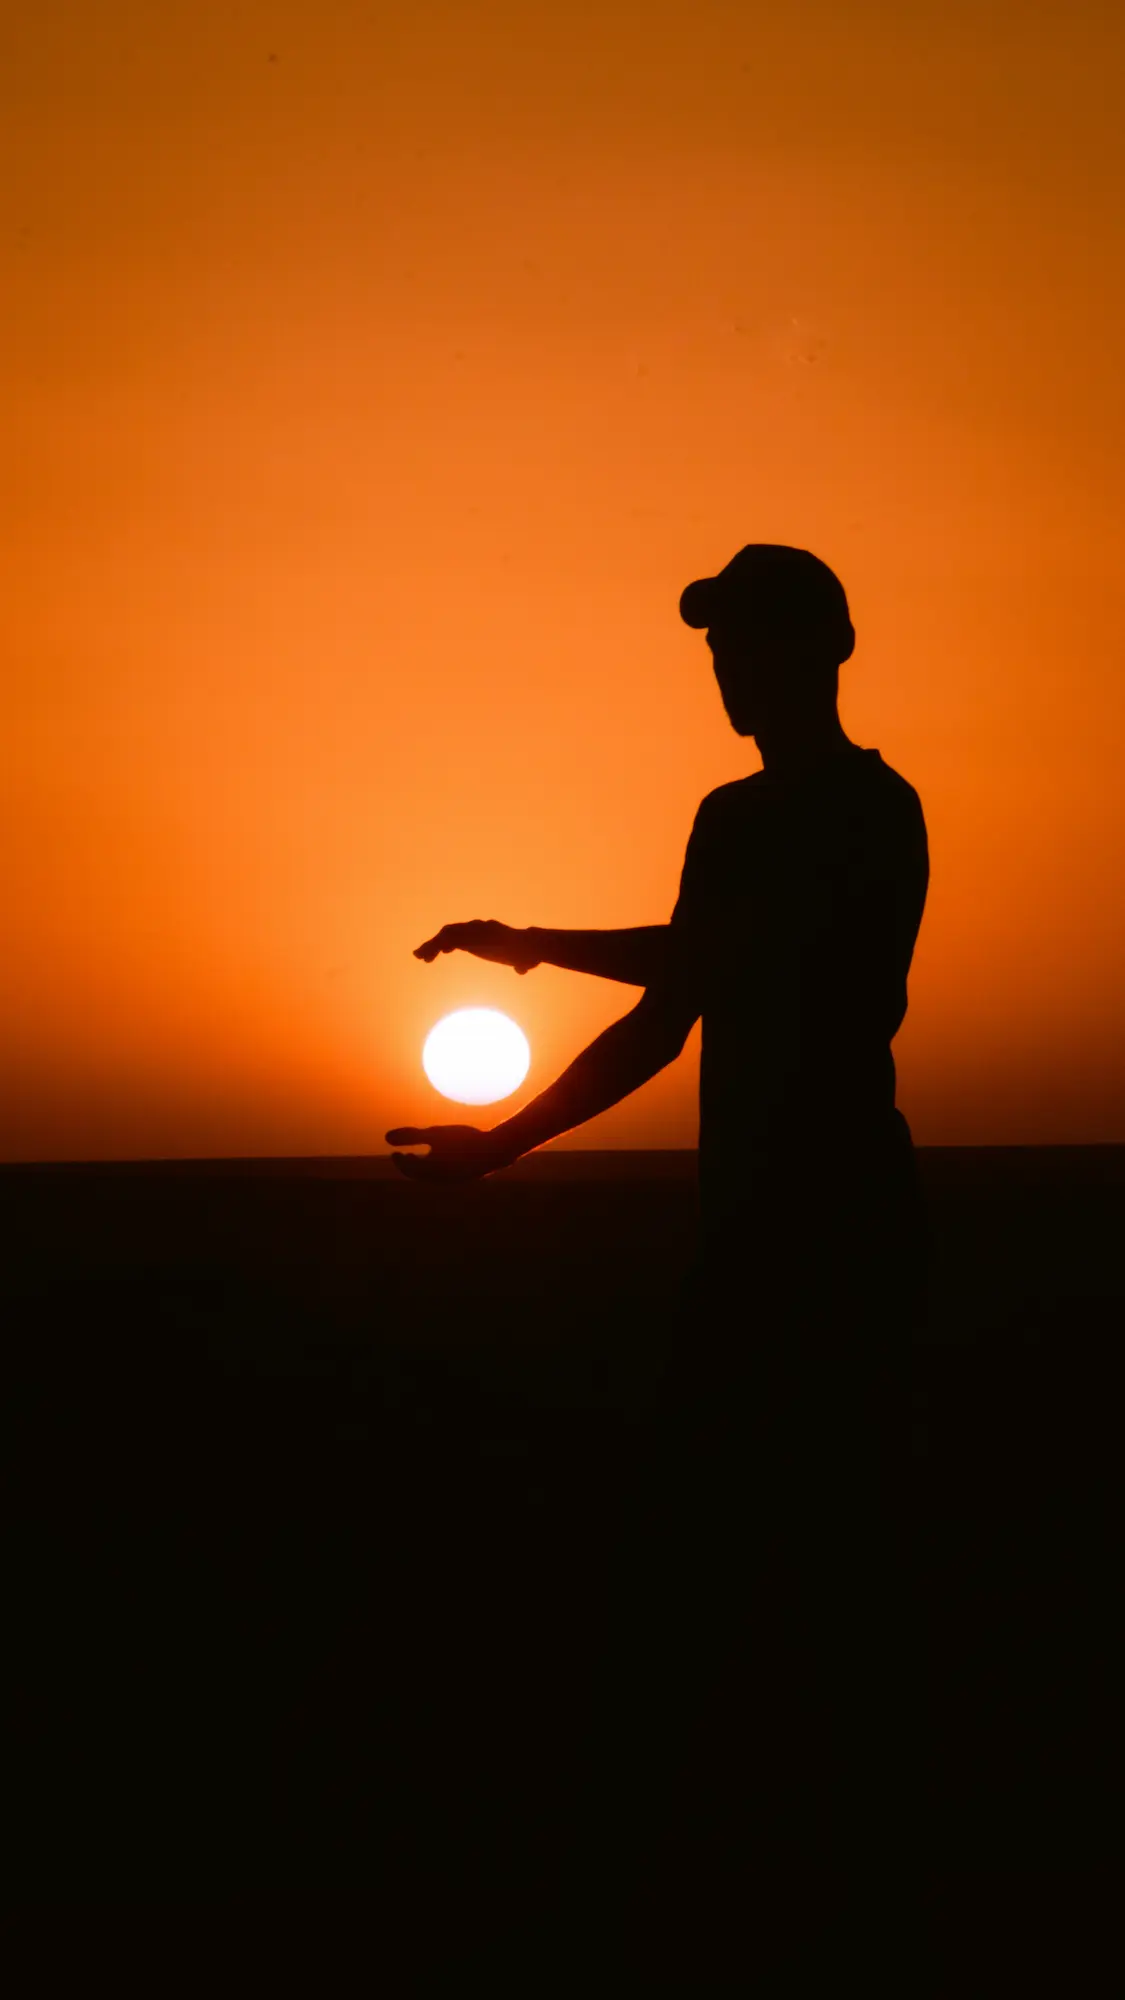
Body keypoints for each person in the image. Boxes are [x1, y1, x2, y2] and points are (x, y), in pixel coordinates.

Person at [386, 543, 930, 1939]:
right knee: (719, 1575)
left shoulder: (872, 813)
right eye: (718, 647)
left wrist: (532, 949)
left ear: (825, 648)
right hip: (750, 1244)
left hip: (836, 1244)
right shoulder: (730, 818)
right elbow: (672, 1014)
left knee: (822, 1580)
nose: (727, 670)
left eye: (746, 642)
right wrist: (505, 1132)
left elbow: (709, 970)